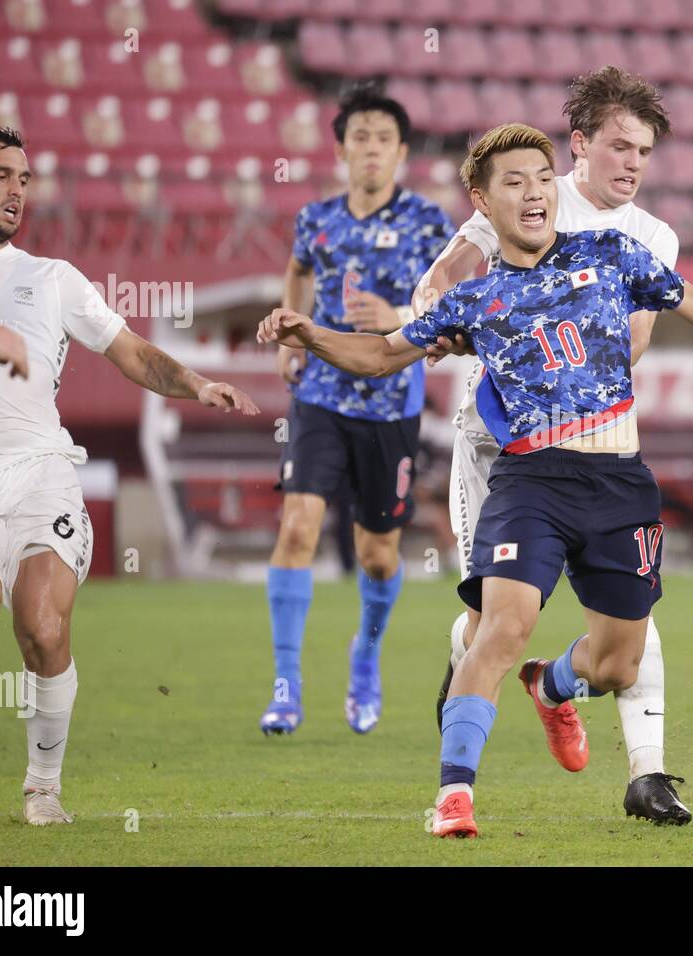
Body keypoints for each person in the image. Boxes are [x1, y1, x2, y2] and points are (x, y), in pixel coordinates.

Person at [256, 123, 693, 838]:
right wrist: (309, 333)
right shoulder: (475, 299)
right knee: (502, 628)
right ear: (481, 203)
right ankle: (454, 797)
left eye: (541, 178)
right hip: (531, 481)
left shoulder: (612, 253)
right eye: (514, 182)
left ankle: (551, 685)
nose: (533, 193)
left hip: (620, 480)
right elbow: (378, 356)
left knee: (619, 664)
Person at [0, 126, 258, 823]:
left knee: (43, 625)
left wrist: (198, 385)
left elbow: (134, 353)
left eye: (24, 177)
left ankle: (43, 787)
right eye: (0, 175)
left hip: (41, 469)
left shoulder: (53, 279)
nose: (17, 189)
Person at [412, 67, 690, 824]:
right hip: (495, 449)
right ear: (580, 146)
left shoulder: (652, 237)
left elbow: (627, 348)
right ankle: (468, 720)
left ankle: (643, 768)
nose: (633, 163)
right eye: (619, 146)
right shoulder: (527, 190)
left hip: (593, 450)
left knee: (629, 622)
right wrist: (451, 326)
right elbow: (438, 284)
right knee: (494, 626)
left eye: (645, 152)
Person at [260, 87, 455, 737]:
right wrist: (293, 338)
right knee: (296, 530)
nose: (371, 148)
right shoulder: (316, 219)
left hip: (391, 403)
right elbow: (296, 272)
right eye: (360, 137)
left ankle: (365, 655)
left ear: (401, 152)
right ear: (341, 149)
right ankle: (286, 684)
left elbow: (448, 299)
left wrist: (400, 318)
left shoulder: (430, 222)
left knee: (376, 556)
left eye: (384, 138)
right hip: (320, 397)